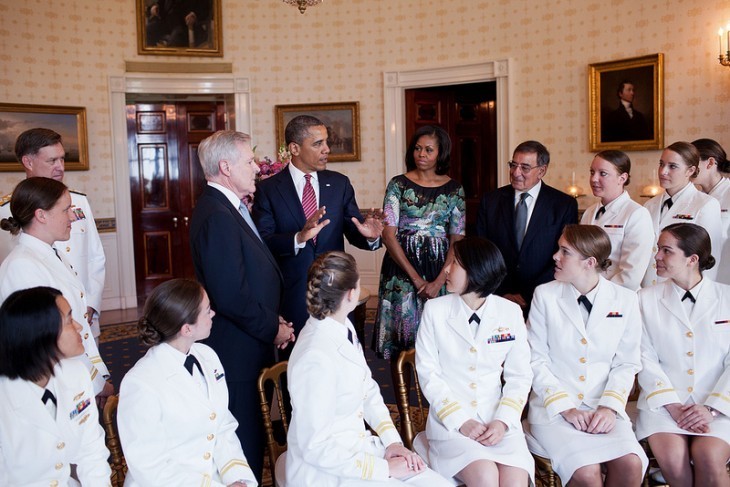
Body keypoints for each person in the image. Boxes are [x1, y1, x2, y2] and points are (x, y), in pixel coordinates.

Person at [286, 251, 451, 487]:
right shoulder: (315, 357)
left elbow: (369, 391)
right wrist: (384, 468)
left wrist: (392, 442)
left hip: (357, 451)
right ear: (352, 293)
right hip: (326, 470)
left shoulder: (344, 327)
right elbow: (315, 447)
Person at [189, 130, 294, 482]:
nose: (256, 168)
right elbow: (231, 293)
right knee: (243, 445)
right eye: (249, 161)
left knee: (252, 440)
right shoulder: (217, 214)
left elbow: (248, 280)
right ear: (225, 167)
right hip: (236, 350)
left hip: (250, 340)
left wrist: (271, 319)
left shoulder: (227, 206)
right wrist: (273, 328)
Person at [527, 224, 647, 485]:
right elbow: (536, 359)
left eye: (564, 251)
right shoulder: (544, 296)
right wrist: (565, 407)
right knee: (586, 473)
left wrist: (609, 407)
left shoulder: (625, 300)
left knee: (631, 463)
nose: (555, 257)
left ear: (589, 262)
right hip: (555, 411)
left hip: (604, 408)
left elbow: (627, 363)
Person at [415, 237, 534, 486]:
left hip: (499, 422)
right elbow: (428, 373)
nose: (446, 270)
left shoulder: (510, 313)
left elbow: (520, 376)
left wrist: (503, 421)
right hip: (451, 425)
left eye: (455, 264)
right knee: (485, 476)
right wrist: (461, 421)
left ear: (477, 270)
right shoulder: (435, 311)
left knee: (515, 481)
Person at [253, 115, 384, 340]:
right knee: (296, 362)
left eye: (326, 142)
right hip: (293, 294)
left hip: (336, 292)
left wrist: (370, 237)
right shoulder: (268, 189)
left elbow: (353, 230)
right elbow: (264, 241)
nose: (327, 149)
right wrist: (298, 238)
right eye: (318, 143)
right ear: (294, 148)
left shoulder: (339, 183)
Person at [118, 279, 257, 486]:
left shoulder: (207, 356)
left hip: (216, 477)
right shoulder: (140, 382)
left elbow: (222, 425)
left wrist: (235, 477)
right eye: (207, 310)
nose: (213, 314)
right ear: (187, 329)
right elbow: (150, 466)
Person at [0, 177, 113, 404]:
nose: (72, 216)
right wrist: (96, 383)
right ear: (41, 215)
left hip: (74, 376)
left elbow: (79, 324)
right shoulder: (24, 266)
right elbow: (52, 337)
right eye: (65, 210)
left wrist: (98, 374)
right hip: (52, 386)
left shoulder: (53, 254)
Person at [636, 223, 730, 487]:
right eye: (658, 250)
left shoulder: (727, 297)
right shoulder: (644, 299)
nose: (657, 257)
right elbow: (644, 357)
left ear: (692, 259)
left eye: (666, 251)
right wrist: (673, 405)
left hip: (720, 406)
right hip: (663, 407)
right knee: (674, 463)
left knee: (709, 458)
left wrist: (711, 408)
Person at [372, 125, 465, 376]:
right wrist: (415, 278)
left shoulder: (455, 190)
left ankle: (437, 407)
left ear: (441, 153)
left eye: (428, 149)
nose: (421, 154)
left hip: (440, 269)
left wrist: (440, 279)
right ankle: (403, 408)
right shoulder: (398, 185)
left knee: (439, 341)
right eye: (417, 148)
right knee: (401, 340)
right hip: (401, 270)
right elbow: (388, 235)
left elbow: (457, 238)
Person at [0, 127, 106, 345]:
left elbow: (96, 257)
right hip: (40, 326)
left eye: (62, 159)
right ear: (28, 162)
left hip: (83, 316)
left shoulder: (79, 202)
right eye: (52, 161)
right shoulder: (5, 210)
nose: (60, 167)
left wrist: (90, 304)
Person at [0, 286, 111, 486]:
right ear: (41, 334)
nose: (78, 326)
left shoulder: (75, 374)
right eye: (69, 320)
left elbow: (91, 451)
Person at [476, 140, 578, 314]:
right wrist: (502, 291)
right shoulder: (490, 201)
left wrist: (530, 293)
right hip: (498, 296)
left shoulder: (563, 205)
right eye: (513, 165)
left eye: (524, 167)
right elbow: (481, 250)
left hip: (545, 296)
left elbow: (566, 253)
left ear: (542, 171)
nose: (516, 173)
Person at [642, 141, 723, 287]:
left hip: (683, 290)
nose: (663, 171)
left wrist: (698, 297)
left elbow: (709, 258)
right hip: (648, 289)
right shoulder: (649, 205)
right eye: (661, 164)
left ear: (690, 171)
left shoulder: (705, 204)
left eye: (672, 166)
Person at [580, 150, 654, 290]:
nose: (594, 179)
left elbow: (631, 273)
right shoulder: (589, 212)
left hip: (618, 295)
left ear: (622, 178)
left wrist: (599, 294)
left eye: (603, 173)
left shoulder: (637, 214)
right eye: (592, 172)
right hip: (585, 291)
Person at [692, 138, 730, 284]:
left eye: (693, 163)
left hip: (724, 276)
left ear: (710, 163)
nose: (689, 169)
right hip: (697, 276)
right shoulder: (693, 198)